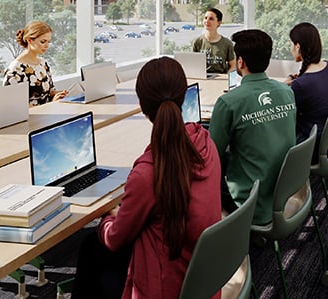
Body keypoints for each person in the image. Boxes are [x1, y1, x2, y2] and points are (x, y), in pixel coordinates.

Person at [73, 57, 221, 299]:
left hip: (164, 287)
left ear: (141, 106)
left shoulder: (147, 172)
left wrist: (108, 218)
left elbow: (114, 240)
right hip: (203, 278)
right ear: (183, 97)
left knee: (92, 245)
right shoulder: (206, 144)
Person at [209, 29, 296, 224]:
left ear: (240, 62)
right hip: (283, 192)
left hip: (249, 202)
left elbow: (212, 156)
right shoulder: (286, 91)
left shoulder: (228, 102)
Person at [284, 22, 328, 158]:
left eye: (291, 44)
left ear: (298, 47)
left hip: (312, 145)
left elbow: (289, 119)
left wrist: (284, 87)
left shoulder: (302, 84)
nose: (290, 48)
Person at [2, 21, 67, 107]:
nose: (47, 45)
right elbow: (15, 106)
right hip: (33, 118)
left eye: (48, 42)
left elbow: (49, 91)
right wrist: (52, 104)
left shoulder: (43, 64)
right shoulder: (16, 70)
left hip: (49, 115)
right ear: (29, 40)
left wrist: (61, 94)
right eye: (43, 42)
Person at [191, 7, 235, 74]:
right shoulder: (197, 42)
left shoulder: (227, 43)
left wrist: (226, 77)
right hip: (202, 79)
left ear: (219, 23)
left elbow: (233, 66)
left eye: (211, 19)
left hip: (220, 79)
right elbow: (192, 64)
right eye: (205, 18)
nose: (207, 21)